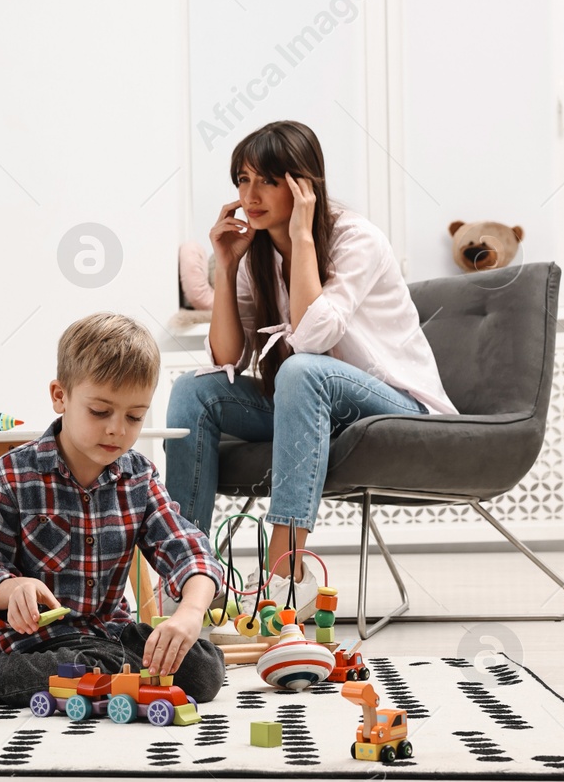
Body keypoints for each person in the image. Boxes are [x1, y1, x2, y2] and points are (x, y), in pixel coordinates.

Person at [165, 120, 456, 618]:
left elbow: (314, 337)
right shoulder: (255, 250)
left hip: (395, 404)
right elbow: (227, 361)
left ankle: (287, 568)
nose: (250, 195)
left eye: (267, 181)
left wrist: (302, 238)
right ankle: (191, 576)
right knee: (194, 391)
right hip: (310, 401)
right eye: (242, 180)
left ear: (303, 186)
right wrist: (228, 263)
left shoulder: (354, 238)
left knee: (300, 369)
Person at [0, 313, 226, 709]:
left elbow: (189, 551)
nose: (117, 429)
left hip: (107, 636)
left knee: (204, 668)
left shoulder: (139, 478)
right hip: (30, 643)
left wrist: (191, 613)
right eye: (100, 412)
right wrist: (14, 589)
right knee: (87, 665)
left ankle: (106, 673)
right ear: (60, 396)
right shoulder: (12, 475)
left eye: (134, 416)